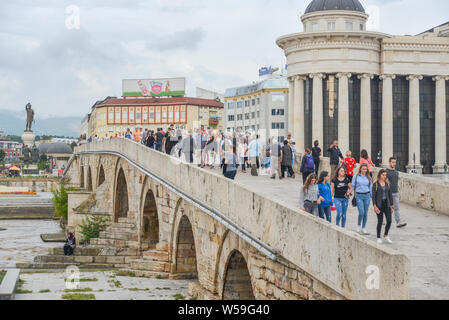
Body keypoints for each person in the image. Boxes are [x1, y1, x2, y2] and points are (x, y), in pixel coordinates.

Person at [372, 169, 395, 244]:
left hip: (387, 204)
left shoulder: (387, 183)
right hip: (379, 204)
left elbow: (390, 195)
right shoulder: (375, 184)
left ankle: (386, 234)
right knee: (380, 221)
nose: (385, 176)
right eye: (383, 175)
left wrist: (392, 205)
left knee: (389, 220)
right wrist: (375, 206)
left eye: (385, 175)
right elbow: (373, 196)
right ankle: (378, 237)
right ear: (379, 175)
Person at [386, 157, 406, 228]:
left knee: (396, 208)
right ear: (389, 163)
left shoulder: (396, 172)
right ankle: (384, 221)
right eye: (392, 162)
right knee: (387, 208)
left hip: (395, 192)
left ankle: (398, 222)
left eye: (395, 162)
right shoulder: (386, 172)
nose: (394, 164)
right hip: (388, 193)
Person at [352, 163, 372, 235]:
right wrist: (349, 191)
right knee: (361, 212)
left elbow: (370, 186)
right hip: (359, 195)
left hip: (367, 195)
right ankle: (358, 225)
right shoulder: (356, 176)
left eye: (366, 169)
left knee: (366, 213)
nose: (364, 170)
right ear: (360, 169)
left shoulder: (369, 177)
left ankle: (364, 227)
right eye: (363, 169)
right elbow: (352, 185)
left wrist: (371, 196)